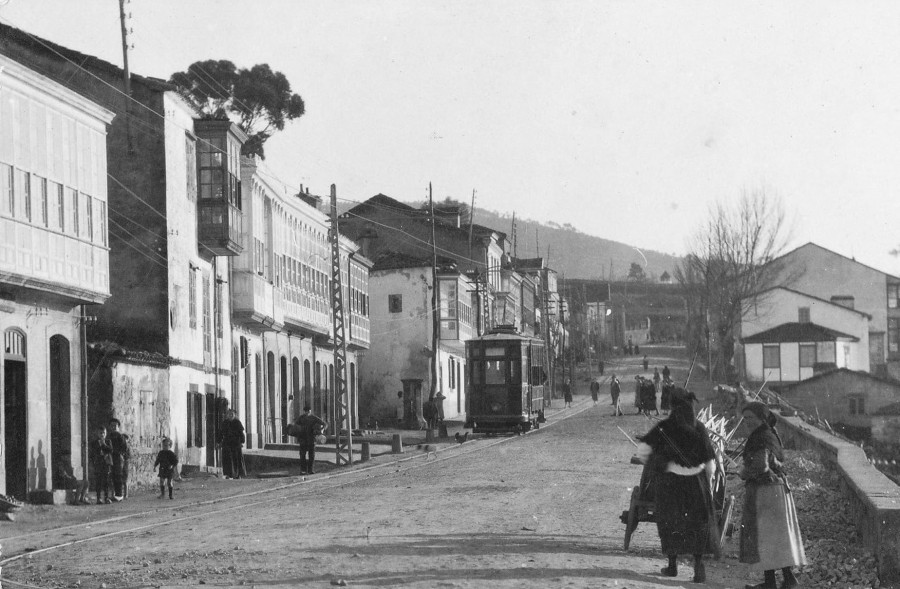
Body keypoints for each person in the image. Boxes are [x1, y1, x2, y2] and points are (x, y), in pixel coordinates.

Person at [635, 388, 718, 583]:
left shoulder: (664, 427)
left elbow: (642, 452)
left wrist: (659, 464)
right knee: (697, 524)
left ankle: (672, 566)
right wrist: (708, 483)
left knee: (670, 523)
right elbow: (710, 464)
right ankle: (699, 569)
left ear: (672, 406)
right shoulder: (699, 428)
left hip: (670, 484)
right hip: (696, 484)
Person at [739, 402, 806, 589]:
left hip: (767, 491)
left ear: (761, 418)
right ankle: (782, 579)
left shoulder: (761, 437)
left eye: (750, 418)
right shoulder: (768, 434)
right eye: (744, 418)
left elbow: (761, 466)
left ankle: (777, 581)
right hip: (774, 490)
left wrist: (744, 473)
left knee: (766, 536)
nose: (746, 422)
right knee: (775, 537)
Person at [294, 405, 327, 475]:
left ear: (310, 411)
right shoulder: (302, 418)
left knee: (310, 456)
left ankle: (309, 470)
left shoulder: (312, 418)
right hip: (305, 439)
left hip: (310, 439)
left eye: (308, 411)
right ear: (304, 411)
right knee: (304, 455)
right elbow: (295, 426)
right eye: (306, 411)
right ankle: (305, 470)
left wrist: (321, 430)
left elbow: (324, 424)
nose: (307, 413)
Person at [218, 409, 247, 479]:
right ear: (227, 415)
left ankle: (238, 474)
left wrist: (242, 441)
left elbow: (241, 433)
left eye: (232, 414)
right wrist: (218, 441)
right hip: (227, 443)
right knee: (227, 459)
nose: (230, 415)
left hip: (236, 443)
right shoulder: (225, 423)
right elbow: (220, 433)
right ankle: (228, 474)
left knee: (237, 459)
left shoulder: (237, 422)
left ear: (235, 415)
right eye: (229, 414)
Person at [107, 418, 130, 501]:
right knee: (111, 476)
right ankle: (111, 495)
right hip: (110, 457)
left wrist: (120, 454)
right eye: (112, 426)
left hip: (118, 458)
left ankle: (119, 495)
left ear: (118, 427)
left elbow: (124, 447)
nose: (113, 427)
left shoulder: (120, 436)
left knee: (118, 476)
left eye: (115, 426)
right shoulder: (108, 436)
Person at [90, 426, 113, 505]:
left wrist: (104, 444)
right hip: (98, 464)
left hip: (106, 464)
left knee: (106, 481)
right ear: (97, 434)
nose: (102, 435)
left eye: (104, 433)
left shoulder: (108, 441)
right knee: (98, 482)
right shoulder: (94, 442)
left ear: (106, 434)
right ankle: (98, 498)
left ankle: (106, 497)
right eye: (100, 433)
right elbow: (93, 453)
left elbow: (110, 450)